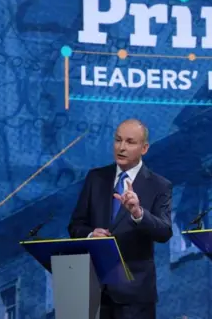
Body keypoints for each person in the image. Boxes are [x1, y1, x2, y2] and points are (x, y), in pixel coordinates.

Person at [68, 119, 173, 319]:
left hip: (135, 295)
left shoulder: (159, 185)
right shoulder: (96, 178)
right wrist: (90, 234)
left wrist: (138, 213)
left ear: (144, 148)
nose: (122, 147)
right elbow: (75, 225)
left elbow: (165, 231)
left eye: (130, 142)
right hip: (95, 290)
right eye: (118, 140)